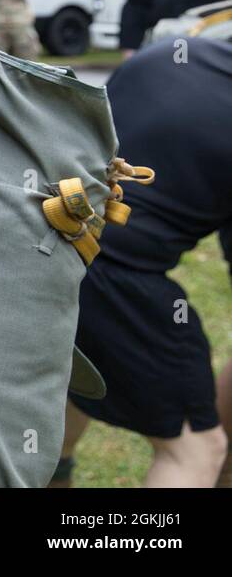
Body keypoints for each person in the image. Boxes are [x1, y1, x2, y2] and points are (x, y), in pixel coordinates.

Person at [55, 37, 232, 487]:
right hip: (112, 271)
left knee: (72, 375)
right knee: (194, 448)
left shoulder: (171, 52)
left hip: (35, 238)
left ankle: (51, 473)